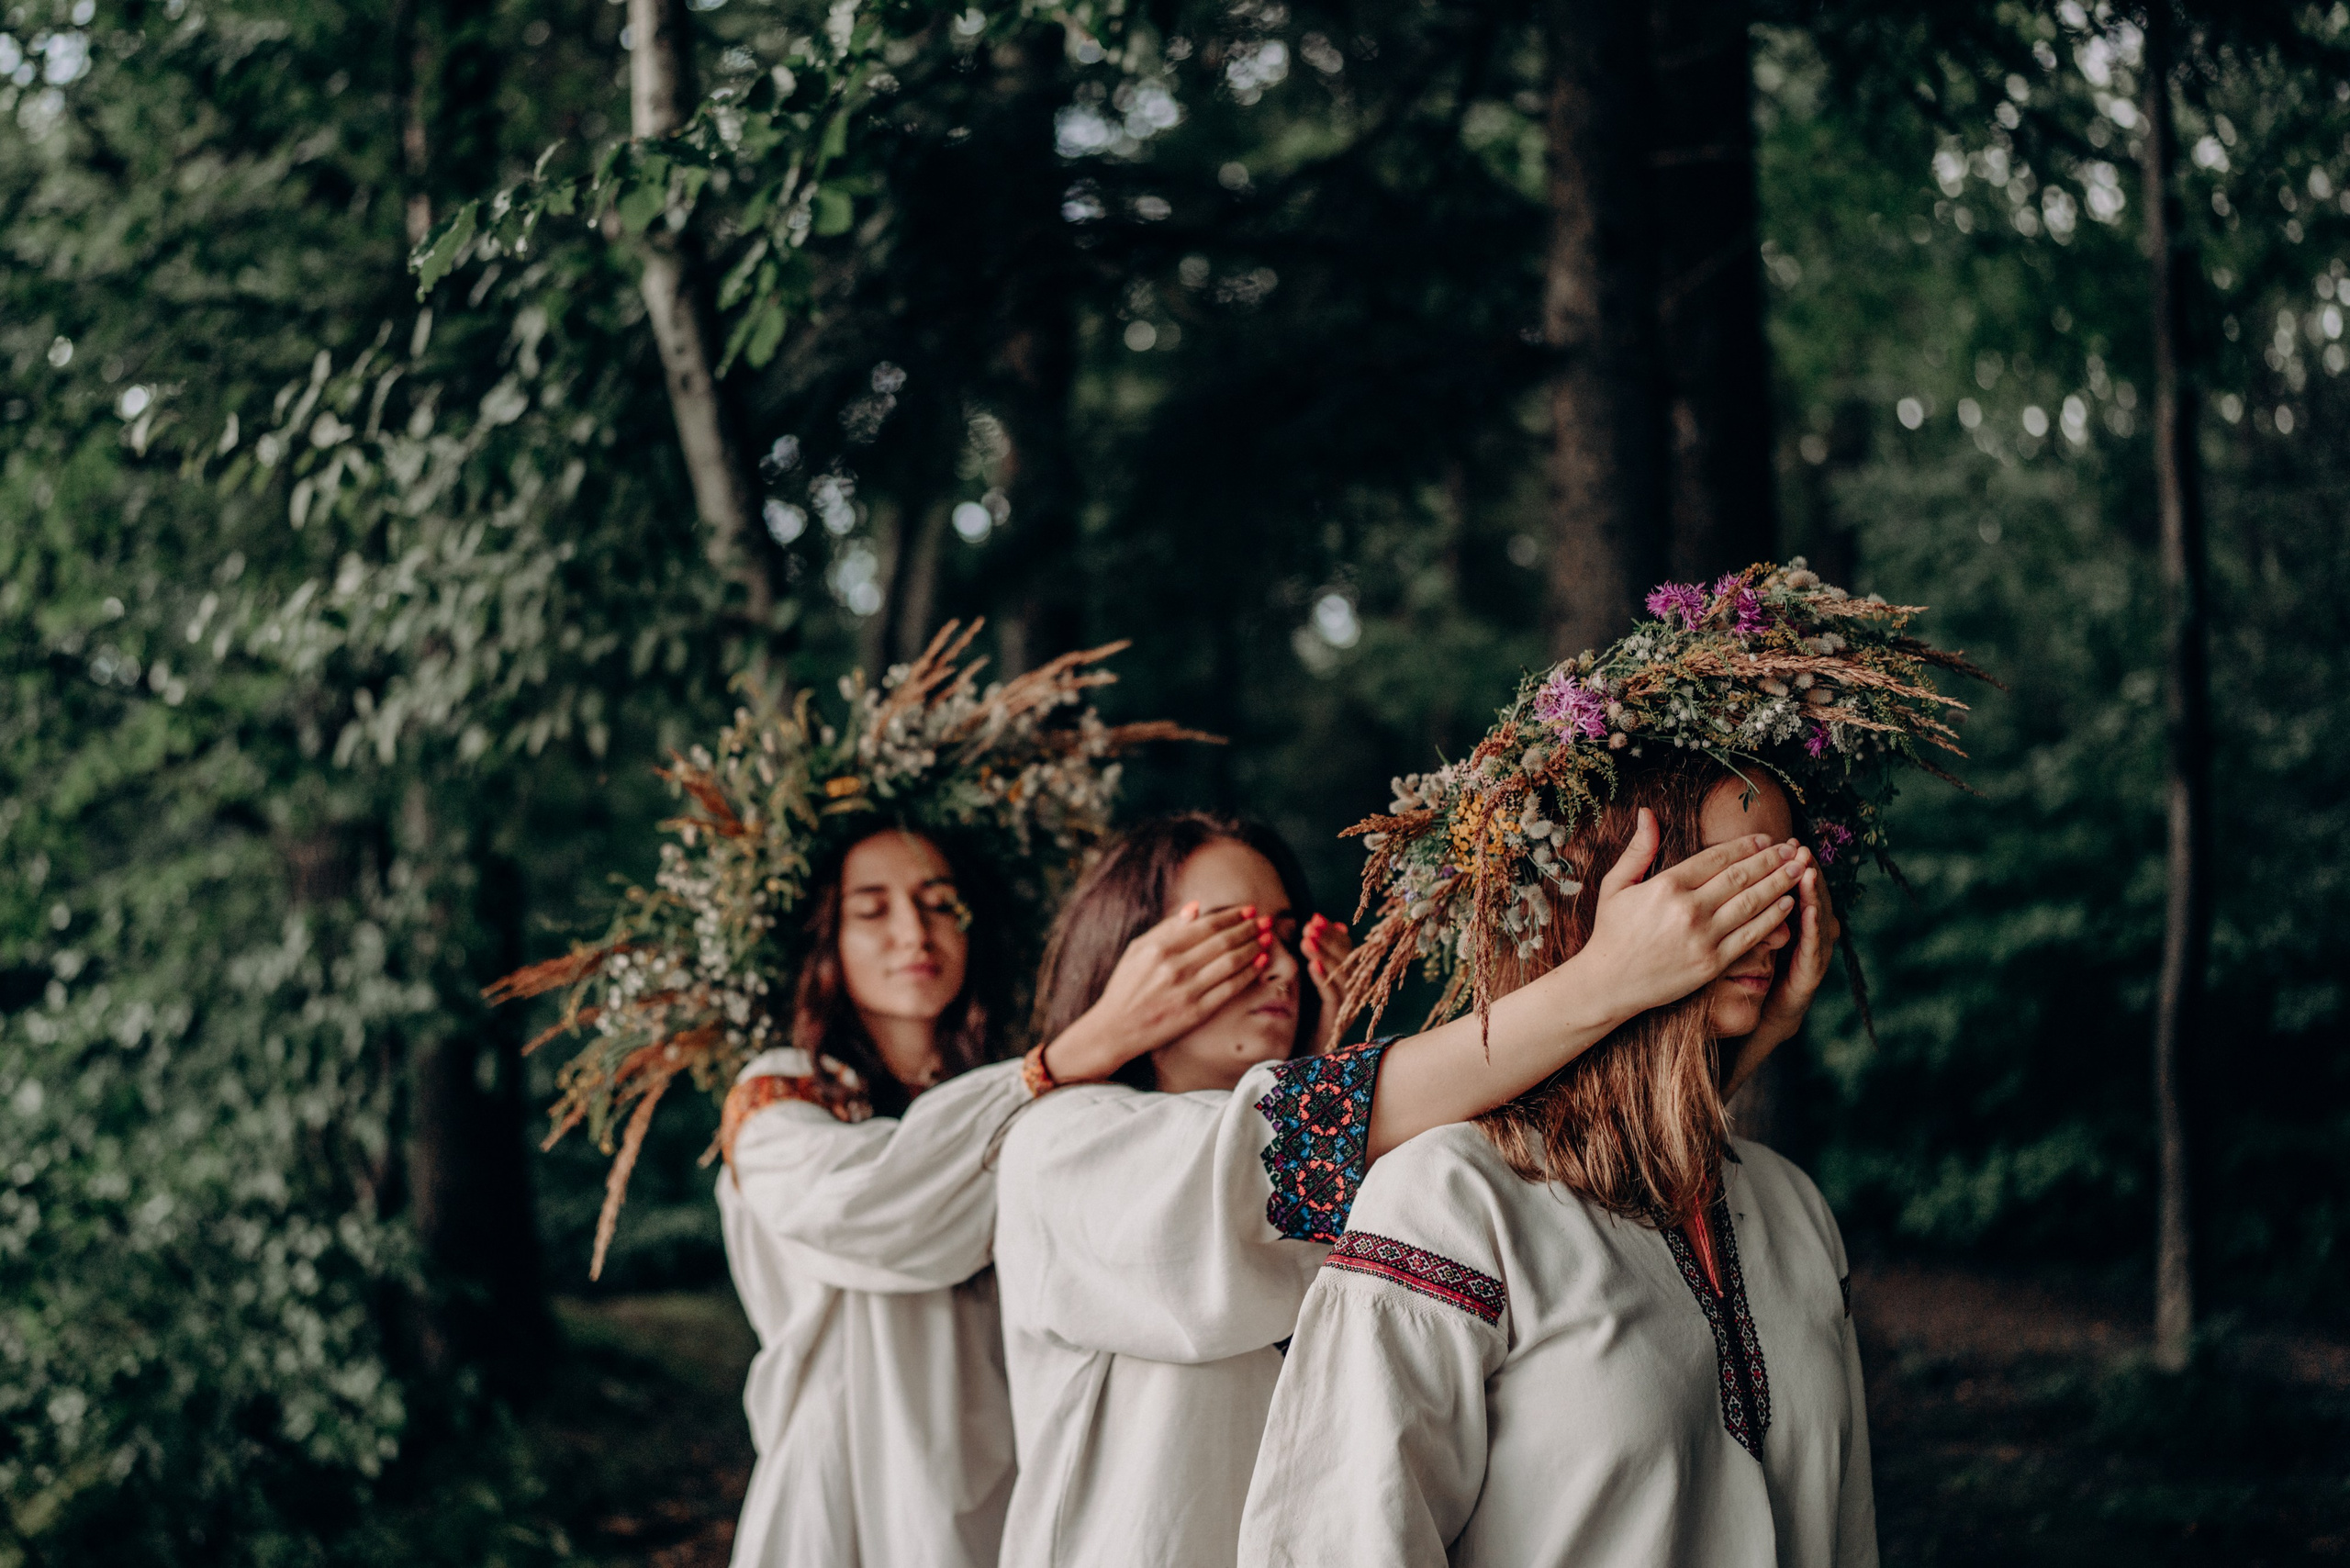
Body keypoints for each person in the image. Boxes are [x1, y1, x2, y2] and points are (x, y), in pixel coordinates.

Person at [1237, 562, 1988, 1567]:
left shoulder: (1789, 1209)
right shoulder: (1450, 1206)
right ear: (1603, 896)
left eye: (1784, 874)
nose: (1764, 911)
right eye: (1723, 877)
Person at [488, 624, 1213, 1568]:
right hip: (847, 1501)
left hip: (1007, 1490)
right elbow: (883, 1207)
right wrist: (1084, 1046)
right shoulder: (779, 1098)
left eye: (937, 900)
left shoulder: (1020, 1096)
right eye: (871, 909)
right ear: (823, 942)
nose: (912, 928)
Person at [989, 809, 1814, 1568]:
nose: (1275, 964)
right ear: (1127, 953)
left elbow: (1541, 1143)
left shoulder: (1399, 1165)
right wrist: (1612, 975)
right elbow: (1269, 1154)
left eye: (1286, 932)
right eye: (1232, 939)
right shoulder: (1063, 1147)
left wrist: (1741, 1044)